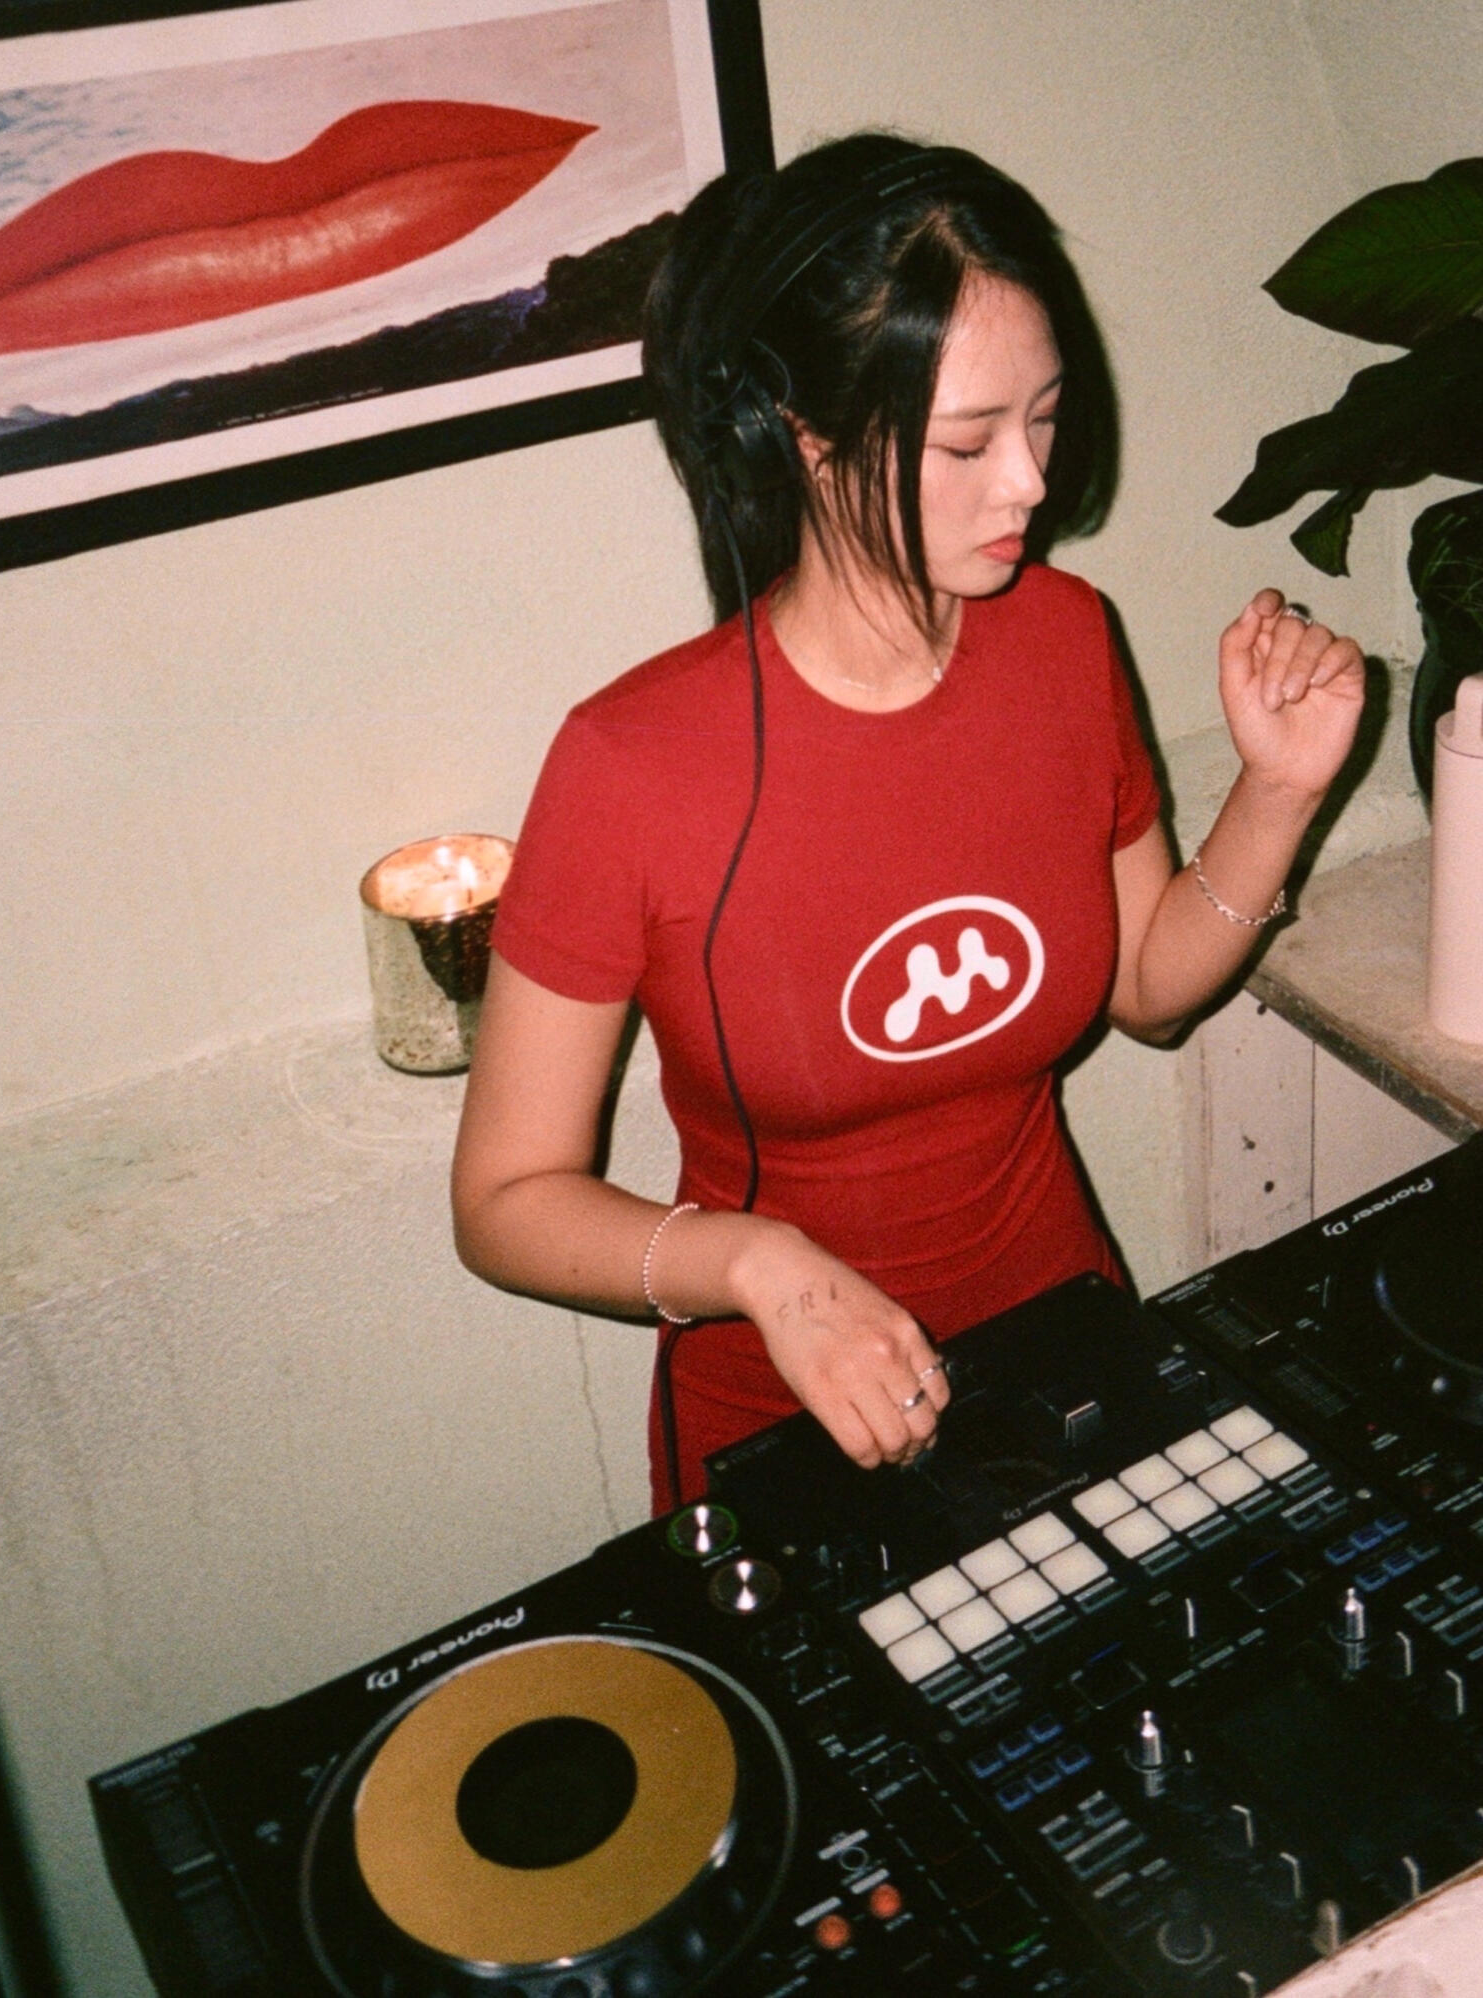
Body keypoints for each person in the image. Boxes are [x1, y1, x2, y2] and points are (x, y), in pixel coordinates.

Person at [451, 135, 1364, 1510]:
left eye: (1043, 418)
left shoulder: (1065, 639)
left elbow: (1146, 988)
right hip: (785, 1426)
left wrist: (1278, 789)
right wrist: (757, 1264)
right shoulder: (628, 765)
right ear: (801, 435)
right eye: (966, 442)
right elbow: (503, 1201)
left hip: (1065, 1359)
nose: (1030, 483)